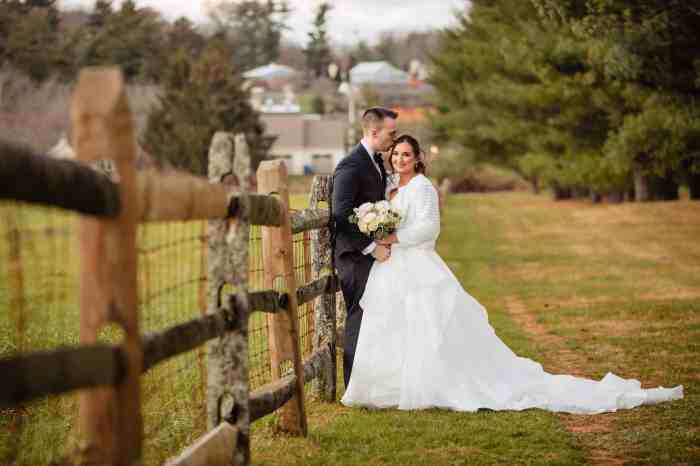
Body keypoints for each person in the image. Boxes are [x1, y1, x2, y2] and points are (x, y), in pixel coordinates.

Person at [341, 134, 684, 413]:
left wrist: (393, 237)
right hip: (394, 266)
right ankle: (394, 386)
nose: (400, 159)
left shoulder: (422, 188)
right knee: (396, 325)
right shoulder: (391, 190)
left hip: (417, 263)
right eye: (396, 154)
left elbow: (430, 229)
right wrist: (380, 233)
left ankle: (432, 384)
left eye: (406, 154)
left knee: (427, 326)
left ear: (417, 158)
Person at [332, 107, 398, 387]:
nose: (393, 139)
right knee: (358, 317)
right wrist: (371, 246)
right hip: (355, 256)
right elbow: (340, 212)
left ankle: (371, 382)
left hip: (372, 253)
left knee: (374, 316)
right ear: (374, 131)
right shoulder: (351, 165)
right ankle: (353, 387)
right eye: (390, 133)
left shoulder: (377, 162)